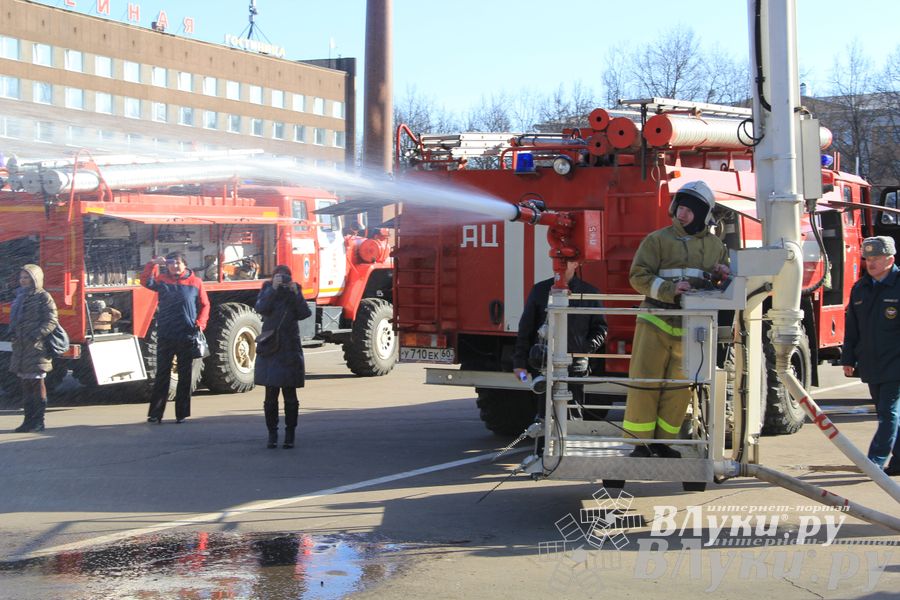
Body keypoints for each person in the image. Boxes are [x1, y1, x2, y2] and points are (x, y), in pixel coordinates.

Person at [623, 180, 730, 458]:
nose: (681, 214)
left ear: (704, 215)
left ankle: (664, 443)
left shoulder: (716, 246)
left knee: (679, 389)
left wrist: (722, 276)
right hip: (655, 320)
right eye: (680, 208)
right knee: (645, 383)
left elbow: (721, 285)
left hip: (690, 328)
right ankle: (640, 444)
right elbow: (638, 277)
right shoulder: (657, 240)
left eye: (688, 211)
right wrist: (671, 290)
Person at [513, 259, 607, 419]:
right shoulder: (540, 290)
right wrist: (519, 363)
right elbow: (526, 328)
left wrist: (582, 349)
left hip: (575, 366)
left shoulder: (590, 293)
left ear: (576, 264)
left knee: (573, 414)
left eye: (567, 260)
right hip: (544, 363)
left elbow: (600, 329)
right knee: (544, 416)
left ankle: (568, 443)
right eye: (558, 260)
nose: (561, 264)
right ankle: (544, 443)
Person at [841, 236, 900, 476]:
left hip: (896, 363)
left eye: (876, 258)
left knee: (888, 412)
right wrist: (847, 358)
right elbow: (852, 328)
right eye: (868, 258)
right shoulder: (861, 288)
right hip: (872, 363)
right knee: (886, 412)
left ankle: (873, 463)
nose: (871, 263)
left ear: (890, 259)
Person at [140, 251, 210, 424]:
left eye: (178, 263)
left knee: (185, 376)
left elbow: (205, 305)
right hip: (166, 334)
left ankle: (182, 413)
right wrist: (152, 264)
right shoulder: (162, 280)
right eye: (171, 263)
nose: (175, 266)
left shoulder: (196, 282)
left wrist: (201, 323)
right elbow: (145, 281)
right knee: (162, 374)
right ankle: (156, 413)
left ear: (185, 264)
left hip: (187, 335)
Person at [254, 265, 312, 449]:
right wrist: (273, 289)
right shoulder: (267, 289)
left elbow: (304, 313)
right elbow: (261, 308)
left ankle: (290, 434)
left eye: (286, 276)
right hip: (271, 345)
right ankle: (272, 434)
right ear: (273, 277)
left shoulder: (294, 290)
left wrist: (295, 293)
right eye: (279, 276)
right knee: (270, 394)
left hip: (289, 347)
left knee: (290, 394)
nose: (283, 279)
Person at [8, 265, 57, 433]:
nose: (23, 280)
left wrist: (35, 335)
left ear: (35, 279)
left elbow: (51, 320)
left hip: (36, 348)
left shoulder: (43, 296)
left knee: (37, 384)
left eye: (27, 277)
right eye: (21, 277)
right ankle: (28, 421)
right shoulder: (20, 296)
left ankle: (38, 421)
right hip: (21, 348)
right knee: (25, 385)